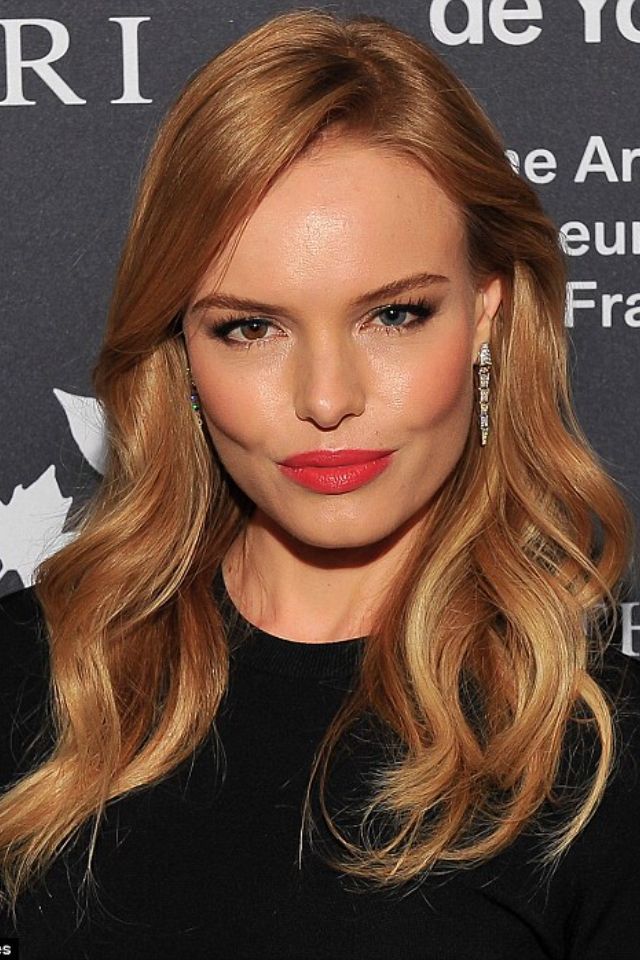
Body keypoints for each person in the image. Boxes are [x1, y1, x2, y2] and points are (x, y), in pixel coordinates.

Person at [1, 8, 639, 959]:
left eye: (395, 314)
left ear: (487, 317)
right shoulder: (32, 681)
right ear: (181, 350)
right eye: (250, 328)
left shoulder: (601, 765)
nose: (327, 399)